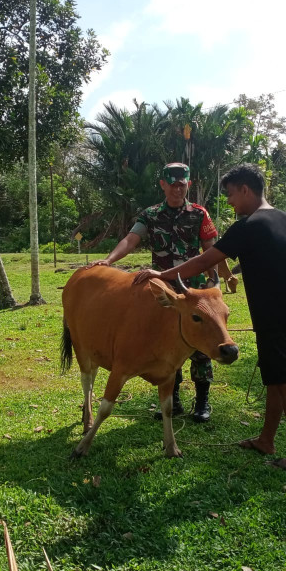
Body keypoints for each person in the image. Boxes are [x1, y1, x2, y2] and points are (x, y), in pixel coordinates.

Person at [134, 163, 286, 471]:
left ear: (246, 189)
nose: (230, 202)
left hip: (274, 317)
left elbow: (205, 260)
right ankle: (266, 440)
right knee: (275, 379)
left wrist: (160, 274)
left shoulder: (250, 225)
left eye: (231, 195)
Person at [90, 162, 220, 423]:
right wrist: (109, 260)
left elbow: (211, 249)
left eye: (182, 185)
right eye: (172, 185)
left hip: (192, 290)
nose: (177, 189)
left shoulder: (199, 214)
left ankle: (203, 401)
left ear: (188, 185)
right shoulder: (150, 214)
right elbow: (130, 239)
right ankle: (174, 401)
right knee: (167, 343)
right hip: (162, 291)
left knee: (201, 345)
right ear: (163, 185)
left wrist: (213, 280)